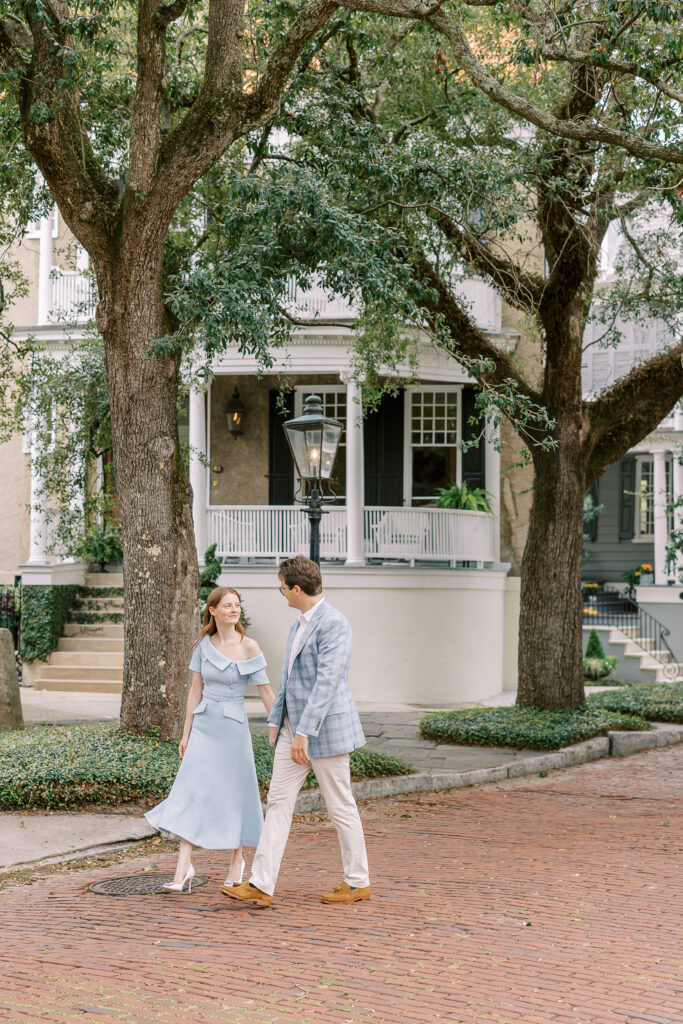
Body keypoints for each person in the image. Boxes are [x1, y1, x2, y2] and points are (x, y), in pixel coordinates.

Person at [223, 555, 370, 907]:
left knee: (340, 806)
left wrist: (305, 732)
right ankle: (260, 884)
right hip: (293, 730)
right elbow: (289, 679)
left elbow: (327, 683)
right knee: (277, 802)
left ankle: (357, 882)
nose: (282, 594)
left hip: (325, 731)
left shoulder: (335, 624)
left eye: (283, 588)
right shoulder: (298, 624)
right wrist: (277, 719)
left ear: (297, 589)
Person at [145, 586, 274, 892]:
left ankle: (237, 860)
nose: (234, 609)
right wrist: (186, 732)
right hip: (204, 726)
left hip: (233, 730)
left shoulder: (250, 647)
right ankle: (183, 867)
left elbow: (266, 692)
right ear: (213, 610)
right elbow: (195, 690)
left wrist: (278, 725)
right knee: (192, 791)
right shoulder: (203, 644)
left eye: (237, 605)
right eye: (228, 605)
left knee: (236, 792)